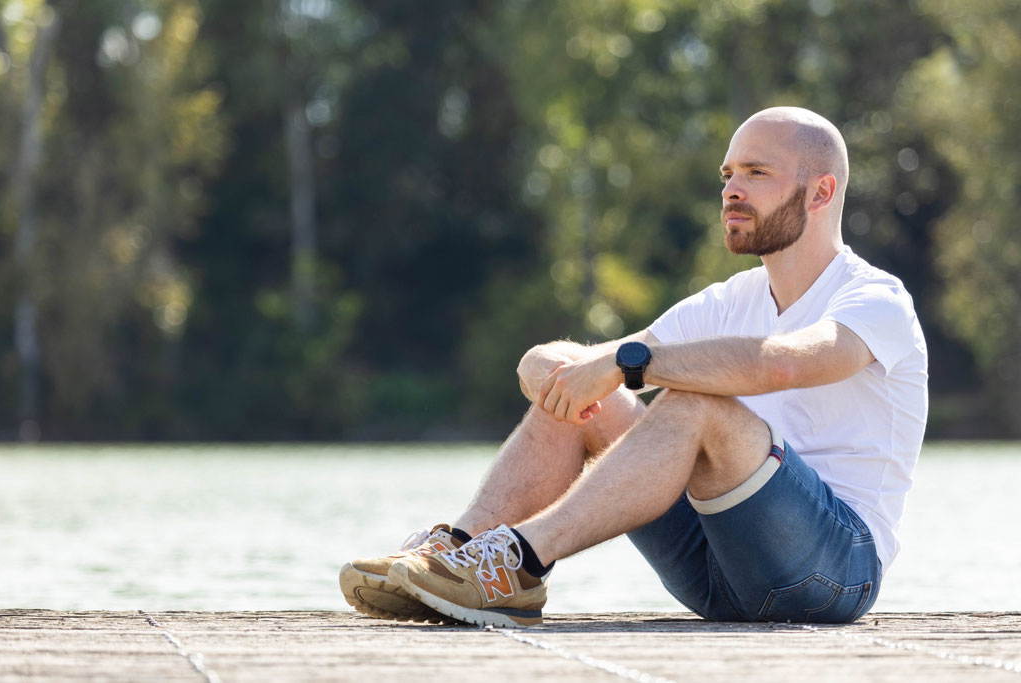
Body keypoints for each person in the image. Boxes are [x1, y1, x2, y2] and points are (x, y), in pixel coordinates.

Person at [339, 106, 928, 628]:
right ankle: (460, 551)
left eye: (756, 173)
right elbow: (599, 361)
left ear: (821, 193)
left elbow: (784, 366)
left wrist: (626, 367)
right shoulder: (728, 301)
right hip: (716, 570)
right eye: (727, 175)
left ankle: (519, 559)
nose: (731, 189)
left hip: (832, 572)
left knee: (693, 400)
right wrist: (551, 368)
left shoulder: (875, 299)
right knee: (588, 388)